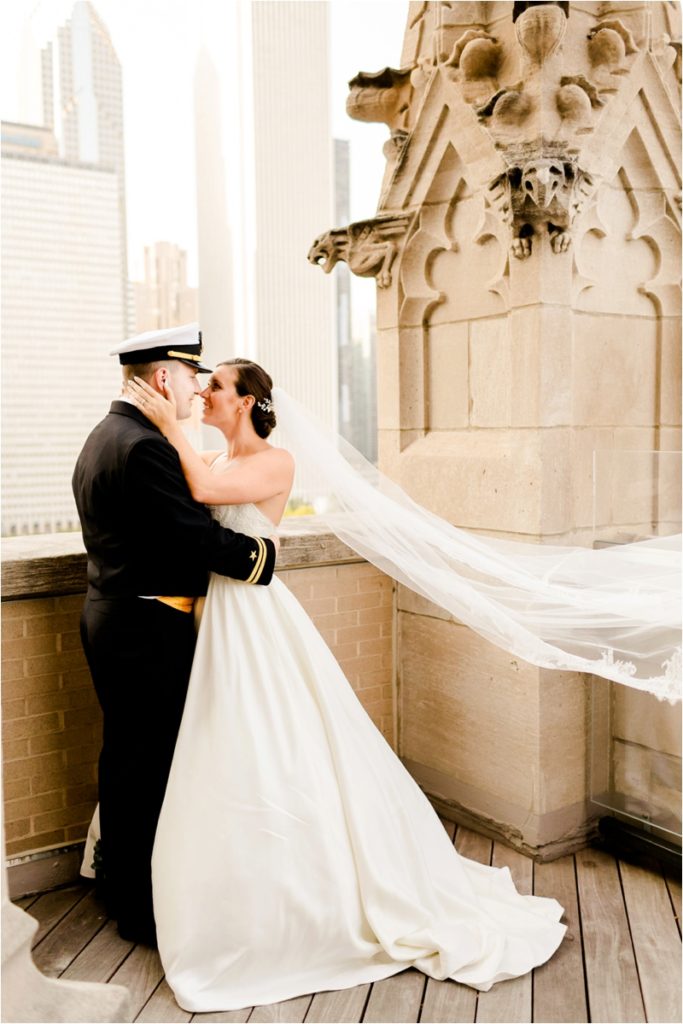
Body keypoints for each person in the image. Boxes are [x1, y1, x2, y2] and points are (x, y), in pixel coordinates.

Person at [126, 358, 566, 1013]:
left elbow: (202, 493)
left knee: (274, 739)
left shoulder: (273, 463)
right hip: (216, 615)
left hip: (254, 619)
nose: (206, 395)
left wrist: (166, 422)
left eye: (216, 386)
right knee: (229, 747)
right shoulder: (215, 462)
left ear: (245, 402)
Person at [72, 325, 277, 947]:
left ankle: (118, 884)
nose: (195, 391)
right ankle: (138, 908)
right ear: (164, 377)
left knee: (126, 758)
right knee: (148, 766)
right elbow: (194, 534)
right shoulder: (144, 446)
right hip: (145, 627)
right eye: (192, 377)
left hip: (114, 615)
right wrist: (259, 559)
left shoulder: (106, 436)